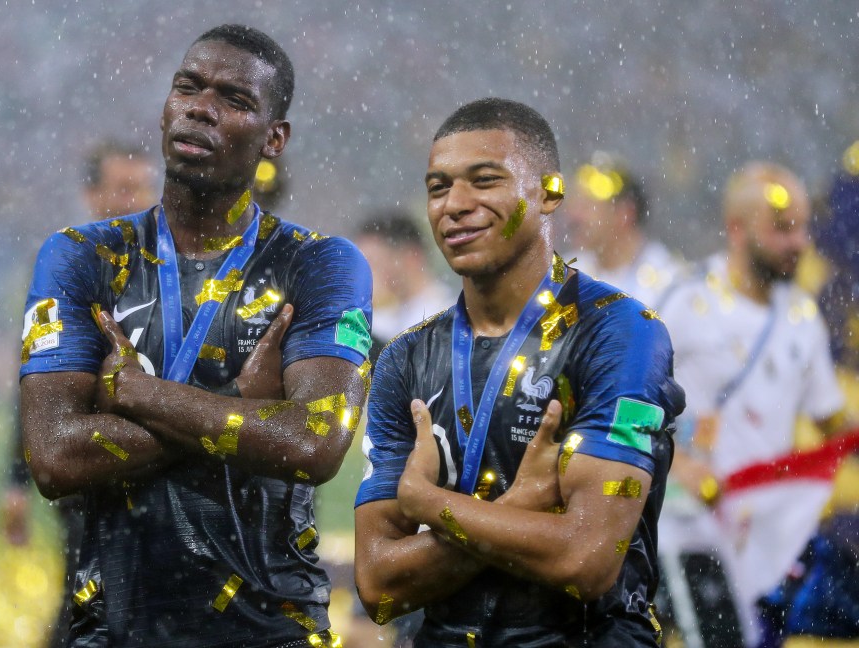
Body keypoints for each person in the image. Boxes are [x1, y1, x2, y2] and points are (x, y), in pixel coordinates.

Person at [19, 24, 372, 647]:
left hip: (271, 627)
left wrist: (137, 395)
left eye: (235, 100)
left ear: (275, 138)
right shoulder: (83, 257)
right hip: (109, 626)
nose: (201, 108)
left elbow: (315, 443)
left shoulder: (319, 264)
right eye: (189, 87)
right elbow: (52, 456)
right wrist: (241, 401)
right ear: (166, 109)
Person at [354, 97, 684, 646]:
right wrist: (514, 509)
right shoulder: (405, 357)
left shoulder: (619, 332)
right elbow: (378, 584)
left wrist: (432, 505)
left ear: (548, 193)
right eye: (438, 187)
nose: (454, 204)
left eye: (484, 180)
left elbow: (586, 559)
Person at [660, 161, 846, 646]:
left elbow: (834, 424)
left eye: (804, 228)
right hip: (691, 531)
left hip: (766, 544)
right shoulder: (685, 302)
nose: (799, 242)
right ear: (737, 229)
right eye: (783, 229)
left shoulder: (803, 320)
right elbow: (624, 401)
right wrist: (679, 465)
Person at [0, 139, 158, 647]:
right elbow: (33, 381)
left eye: (144, 187)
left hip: (165, 460)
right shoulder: (66, 267)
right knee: (90, 602)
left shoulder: (176, 266)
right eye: (123, 187)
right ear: (91, 195)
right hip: (88, 462)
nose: (137, 199)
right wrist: (16, 479)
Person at [562, 151, 684, 308]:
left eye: (587, 206)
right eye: (574, 205)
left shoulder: (669, 285)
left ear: (625, 214)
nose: (574, 216)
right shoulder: (566, 277)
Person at [354, 211, 455, 362]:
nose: (364, 277)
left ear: (411, 257)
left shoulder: (448, 322)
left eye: (373, 263)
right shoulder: (378, 320)